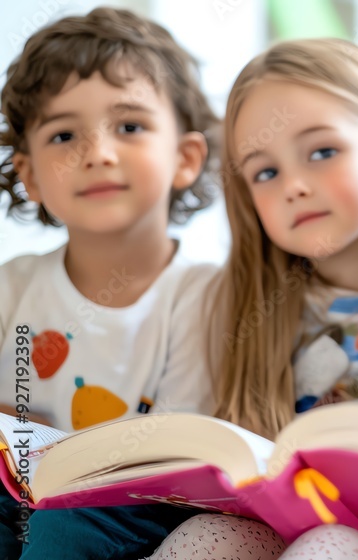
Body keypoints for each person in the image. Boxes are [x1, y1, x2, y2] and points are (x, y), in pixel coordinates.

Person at [147, 37, 358, 560]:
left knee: (330, 546)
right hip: (291, 529)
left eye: (323, 151)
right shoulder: (237, 308)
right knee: (204, 539)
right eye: (266, 172)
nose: (294, 184)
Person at [0, 7, 219, 559]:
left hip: (138, 504)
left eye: (129, 127)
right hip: (17, 490)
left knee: (63, 530)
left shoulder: (202, 293)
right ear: (30, 176)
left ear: (186, 157)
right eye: (65, 134)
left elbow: (180, 449)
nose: (96, 153)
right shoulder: (13, 286)